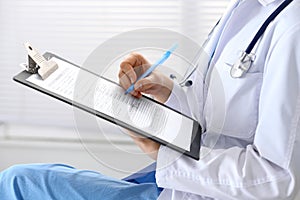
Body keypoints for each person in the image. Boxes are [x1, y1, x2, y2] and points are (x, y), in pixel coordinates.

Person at [1, 0, 300, 199]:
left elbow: (279, 179)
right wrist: (163, 89)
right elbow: (216, 116)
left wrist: (164, 154)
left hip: (197, 189)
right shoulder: (248, 8)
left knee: (17, 183)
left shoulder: (293, 28)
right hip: (175, 183)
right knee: (48, 174)